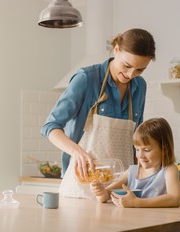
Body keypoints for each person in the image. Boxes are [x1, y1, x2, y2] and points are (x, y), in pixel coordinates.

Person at [41, 28, 156, 199]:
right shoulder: (86, 79)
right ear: (116, 49)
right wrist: (76, 152)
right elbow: (50, 127)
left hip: (121, 192)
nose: (131, 75)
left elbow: (136, 142)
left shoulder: (140, 87)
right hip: (82, 187)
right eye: (127, 65)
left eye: (140, 70)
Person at [90, 118, 180, 208]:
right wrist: (100, 192)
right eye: (137, 149)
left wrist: (137, 202)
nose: (140, 155)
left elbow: (175, 198)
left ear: (164, 149)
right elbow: (106, 195)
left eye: (146, 150)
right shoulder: (131, 172)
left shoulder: (169, 170)